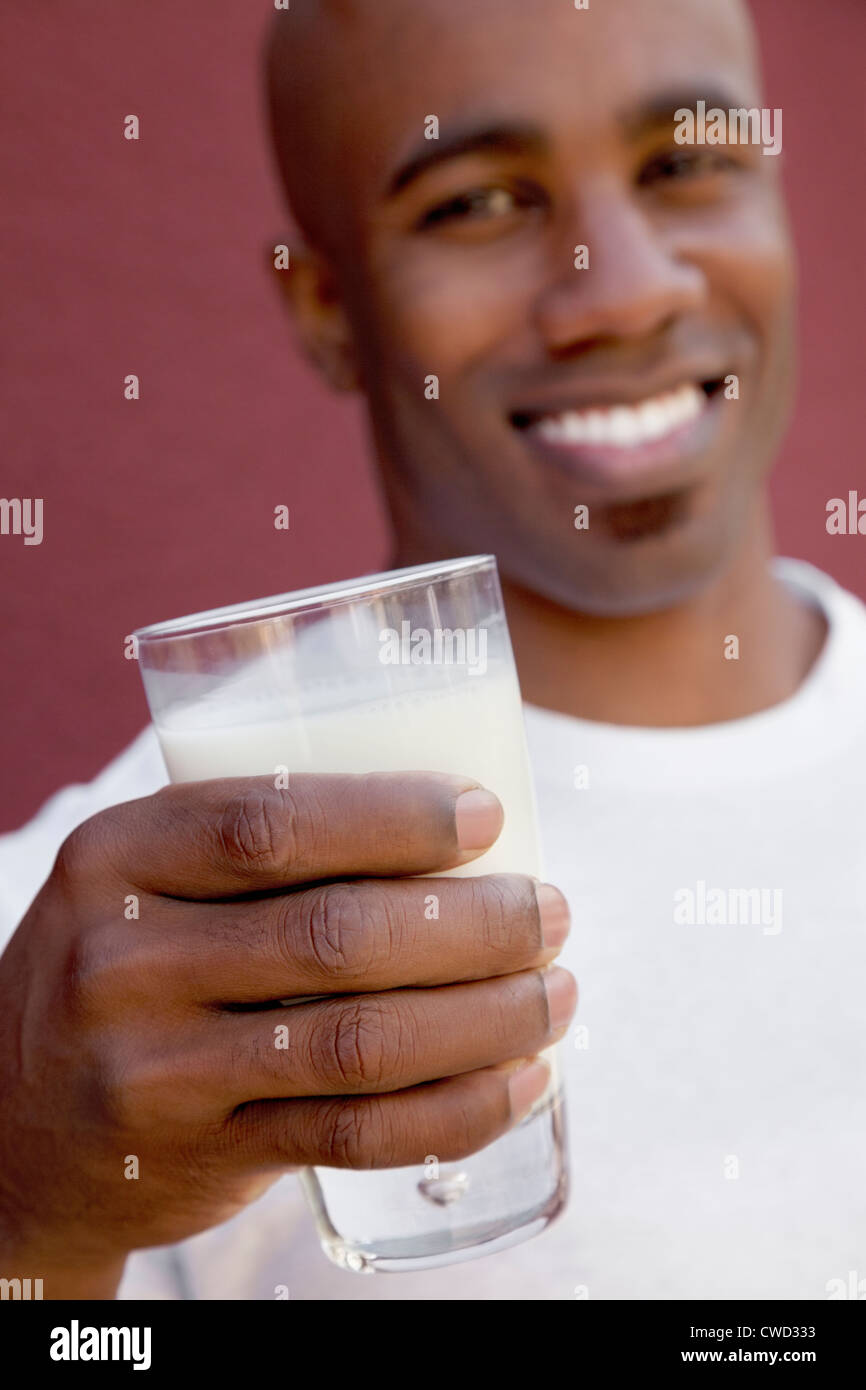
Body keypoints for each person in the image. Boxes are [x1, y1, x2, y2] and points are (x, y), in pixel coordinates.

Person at [1, 0, 864, 1301]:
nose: (623, 290)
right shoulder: (101, 961)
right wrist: (33, 1227)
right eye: (476, 204)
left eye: (686, 163)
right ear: (329, 308)